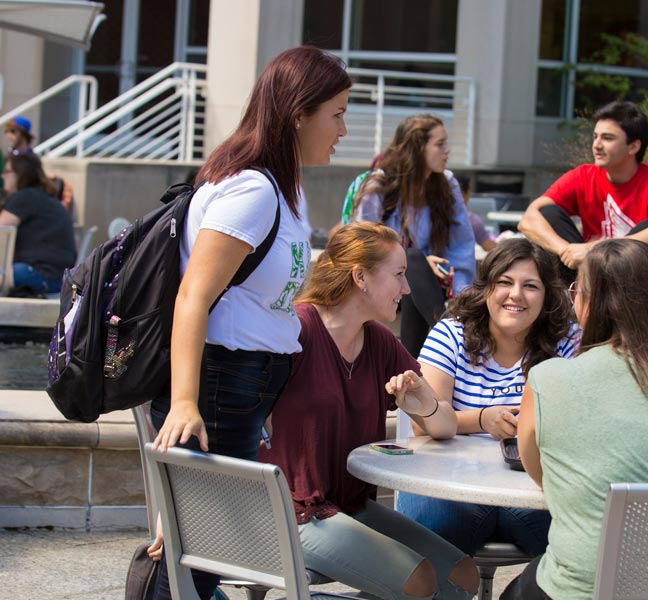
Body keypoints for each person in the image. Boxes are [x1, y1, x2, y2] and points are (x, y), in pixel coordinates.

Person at [148, 45, 352, 600]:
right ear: (296, 114)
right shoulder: (253, 188)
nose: (343, 128)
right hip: (218, 385)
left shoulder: (283, 187)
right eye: (336, 113)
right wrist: (187, 402)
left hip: (242, 387)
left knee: (199, 549)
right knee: (195, 553)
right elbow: (193, 295)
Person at [501, 239, 648, 600]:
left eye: (576, 291)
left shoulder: (547, 380)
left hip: (591, 589)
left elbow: (545, 477)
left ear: (589, 304)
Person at [258, 222, 479, 600]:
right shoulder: (293, 331)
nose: (407, 289)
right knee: (419, 583)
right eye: (399, 275)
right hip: (286, 513)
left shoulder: (379, 342)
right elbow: (228, 415)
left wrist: (422, 402)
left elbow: (443, 427)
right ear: (360, 276)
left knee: (463, 577)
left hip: (348, 506)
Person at [398, 238, 579, 557]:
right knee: (428, 542)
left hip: (533, 491)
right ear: (485, 289)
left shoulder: (567, 341)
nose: (516, 295)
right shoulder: (451, 333)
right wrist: (484, 418)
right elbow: (423, 425)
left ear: (548, 295)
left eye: (531, 286)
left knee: (580, 542)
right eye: (505, 282)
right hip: (451, 487)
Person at [517, 100, 648, 288]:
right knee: (548, 213)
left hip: (636, 284)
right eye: (595, 136)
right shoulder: (583, 176)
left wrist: (593, 249)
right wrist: (567, 251)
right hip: (590, 276)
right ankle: (575, 302)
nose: (596, 145)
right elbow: (528, 220)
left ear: (633, 147)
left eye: (608, 138)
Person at [351, 114, 476, 357]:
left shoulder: (446, 185)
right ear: (418, 147)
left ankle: (412, 363)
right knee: (412, 258)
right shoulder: (381, 185)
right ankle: (450, 335)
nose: (447, 151)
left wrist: (463, 297)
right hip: (380, 285)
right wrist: (407, 265)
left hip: (427, 290)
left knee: (414, 275)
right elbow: (361, 246)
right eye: (440, 144)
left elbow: (462, 247)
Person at [0, 152, 76, 294]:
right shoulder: (43, 197)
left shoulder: (25, 197)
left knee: (4, 273)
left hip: (41, 274)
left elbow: (2, 230)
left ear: (20, 174)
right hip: (61, 277)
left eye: (7, 172)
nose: (2, 176)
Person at [456, 174, 497, 253]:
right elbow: (489, 246)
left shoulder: (434, 216)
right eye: (470, 190)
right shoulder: (471, 221)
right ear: (463, 194)